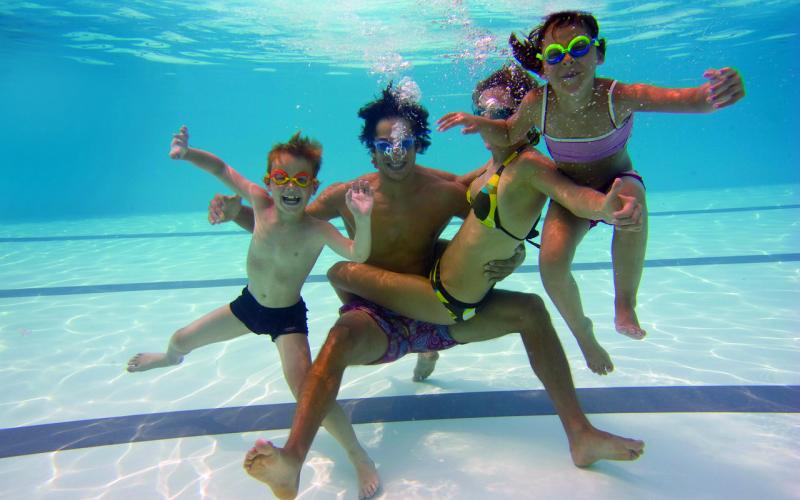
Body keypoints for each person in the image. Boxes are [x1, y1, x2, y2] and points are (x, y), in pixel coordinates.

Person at [214, 83, 644, 499]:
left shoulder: (443, 192)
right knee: (339, 337)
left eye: (404, 143)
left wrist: (513, 256)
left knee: (531, 310)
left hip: (434, 308)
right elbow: (287, 228)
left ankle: (580, 434)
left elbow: (487, 226)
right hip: (376, 321)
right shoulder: (346, 195)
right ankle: (292, 459)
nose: (395, 153)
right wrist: (238, 215)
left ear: (418, 144)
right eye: (384, 145)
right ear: (371, 149)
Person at [438, 10, 745, 372]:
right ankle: (583, 332)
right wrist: (480, 122)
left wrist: (716, 93)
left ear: (599, 53)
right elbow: (507, 132)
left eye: (579, 47)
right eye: (555, 54)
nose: (568, 59)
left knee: (631, 206)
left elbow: (691, 100)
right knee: (551, 266)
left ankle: (625, 303)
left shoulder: (620, 96)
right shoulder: (537, 104)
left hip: (616, 179)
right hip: (570, 191)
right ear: (543, 66)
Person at [126, 127, 381, 499]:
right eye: (282, 177)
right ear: (268, 182)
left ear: (313, 187)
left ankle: (358, 456)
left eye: (301, 180)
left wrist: (364, 218)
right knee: (180, 339)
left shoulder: (319, 229)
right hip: (248, 306)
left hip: (287, 319)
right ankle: (168, 358)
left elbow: (358, 253)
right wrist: (187, 152)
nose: (290, 186)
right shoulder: (260, 204)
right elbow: (222, 169)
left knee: (309, 393)